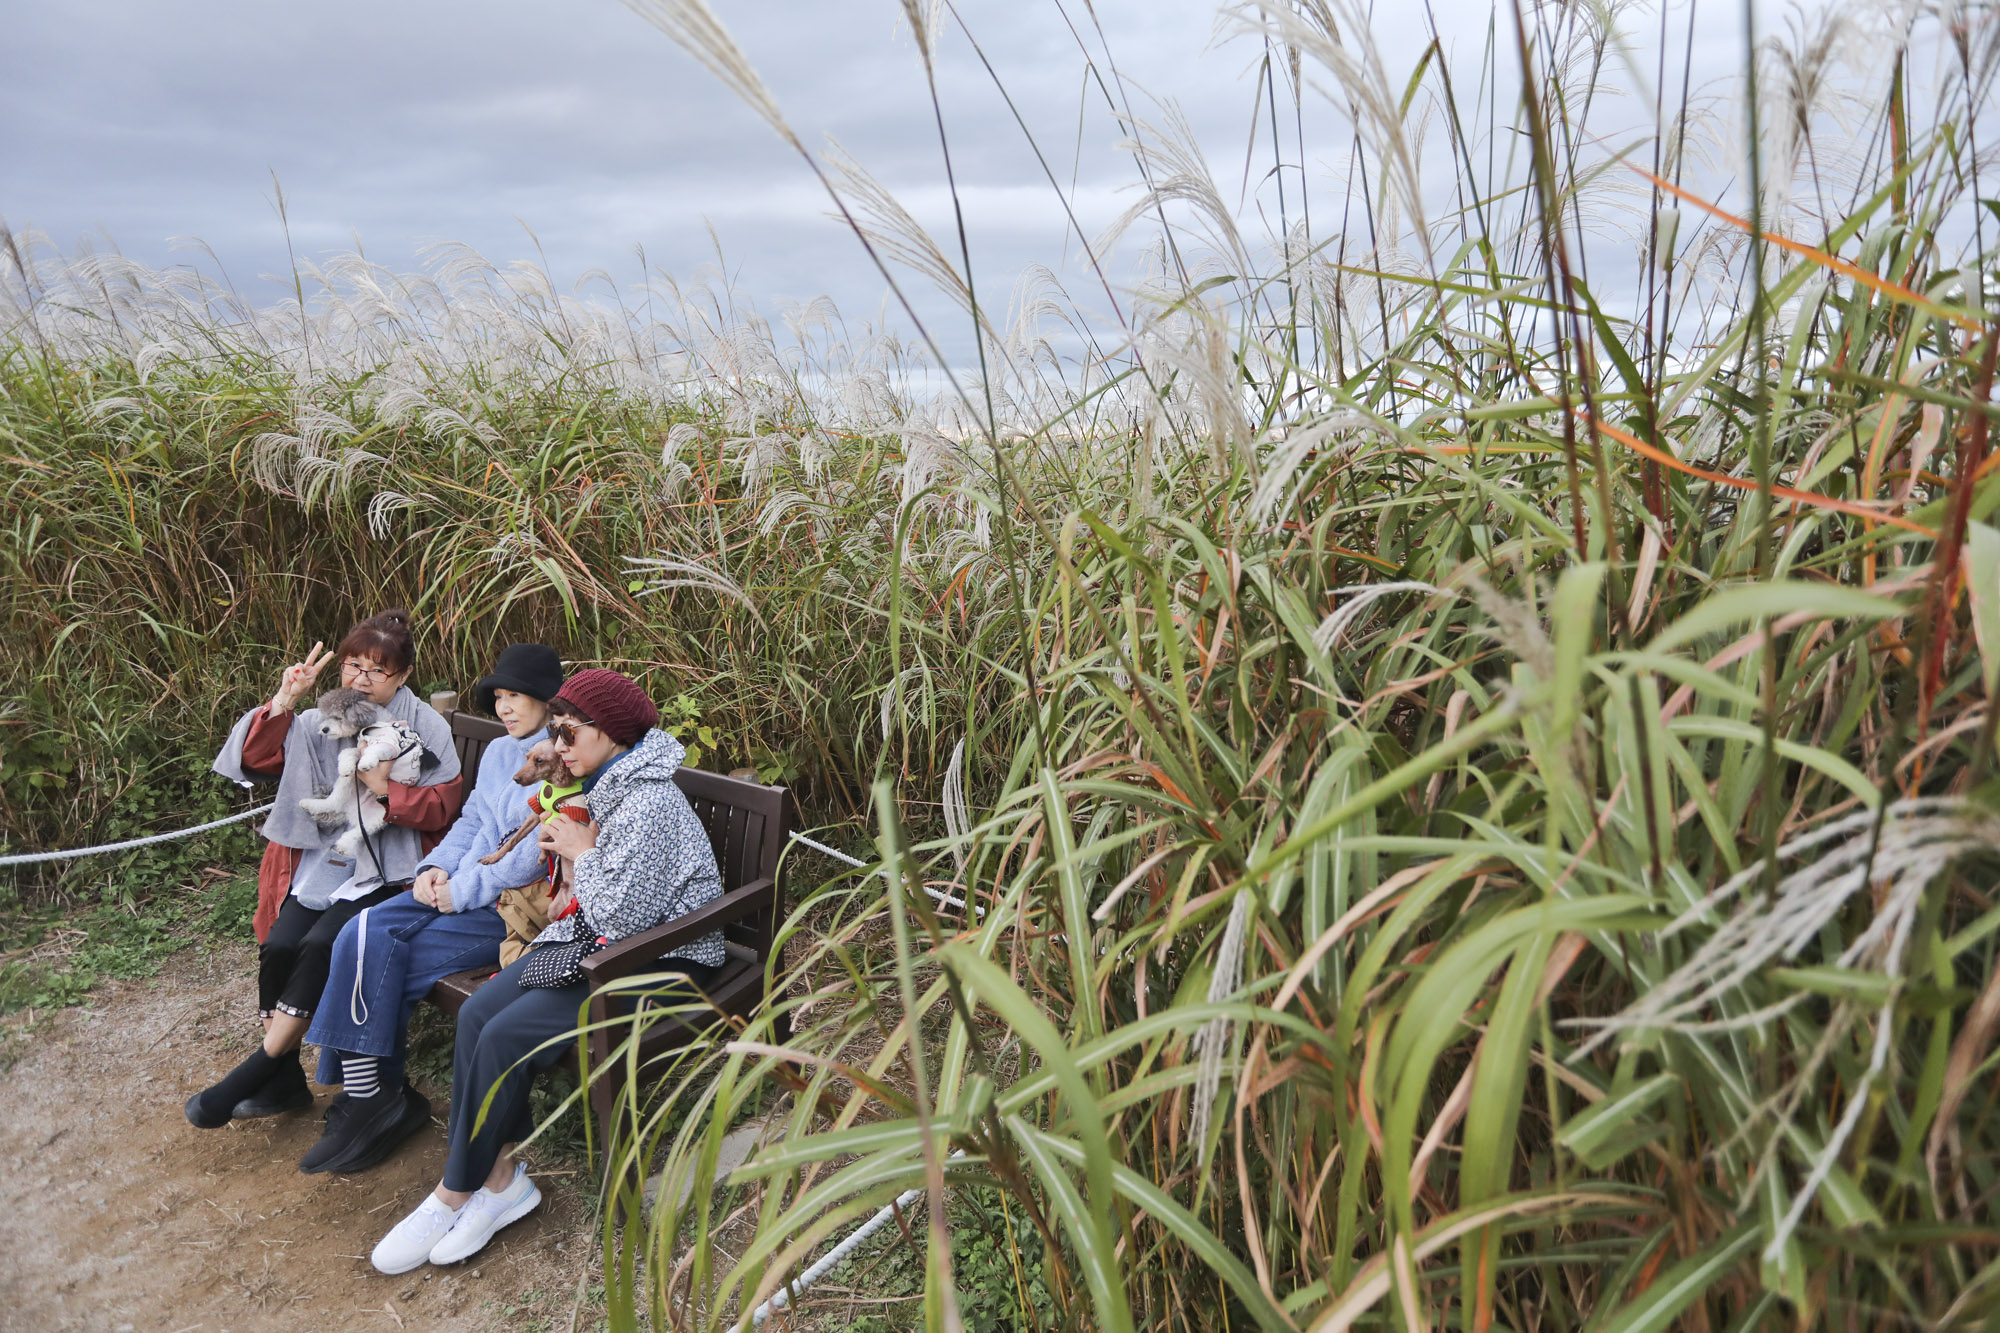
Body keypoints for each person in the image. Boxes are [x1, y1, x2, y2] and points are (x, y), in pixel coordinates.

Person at [370, 668, 726, 1274]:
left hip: (664, 960)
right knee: (480, 1011)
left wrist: (581, 854)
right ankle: (502, 1181)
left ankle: (453, 1193)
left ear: (609, 731)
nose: (557, 747)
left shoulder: (650, 801)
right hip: (602, 944)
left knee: (506, 1034)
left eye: (567, 733)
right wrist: (578, 857)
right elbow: (605, 908)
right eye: (555, 734)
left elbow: (623, 915)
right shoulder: (613, 781)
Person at [294, 643, 567, 1175]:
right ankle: (372, 1094)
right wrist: (434, 869)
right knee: (360, 933)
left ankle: (373, 1098)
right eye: (501, 697)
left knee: (375, 948)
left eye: (519, 697)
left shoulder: (557, 758)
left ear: (549, 702)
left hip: (507, 910)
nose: (506, 708)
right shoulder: (497, 752)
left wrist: (459, 891)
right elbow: (471, 823)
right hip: (465, 886)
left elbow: (532, 859)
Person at [190, 609, 463, 1127]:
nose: (360, 678)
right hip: (327, 858)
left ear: (403, 676)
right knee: (279, 943)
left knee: (321, 944)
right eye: (352, 665)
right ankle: (284, 1080)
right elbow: (260, 759)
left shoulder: (424, 726)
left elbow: (445, 808)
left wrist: (385, 788)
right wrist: (286, 701)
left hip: (393, 863)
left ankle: (259, 1068)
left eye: (376, 670)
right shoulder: (322, 715)